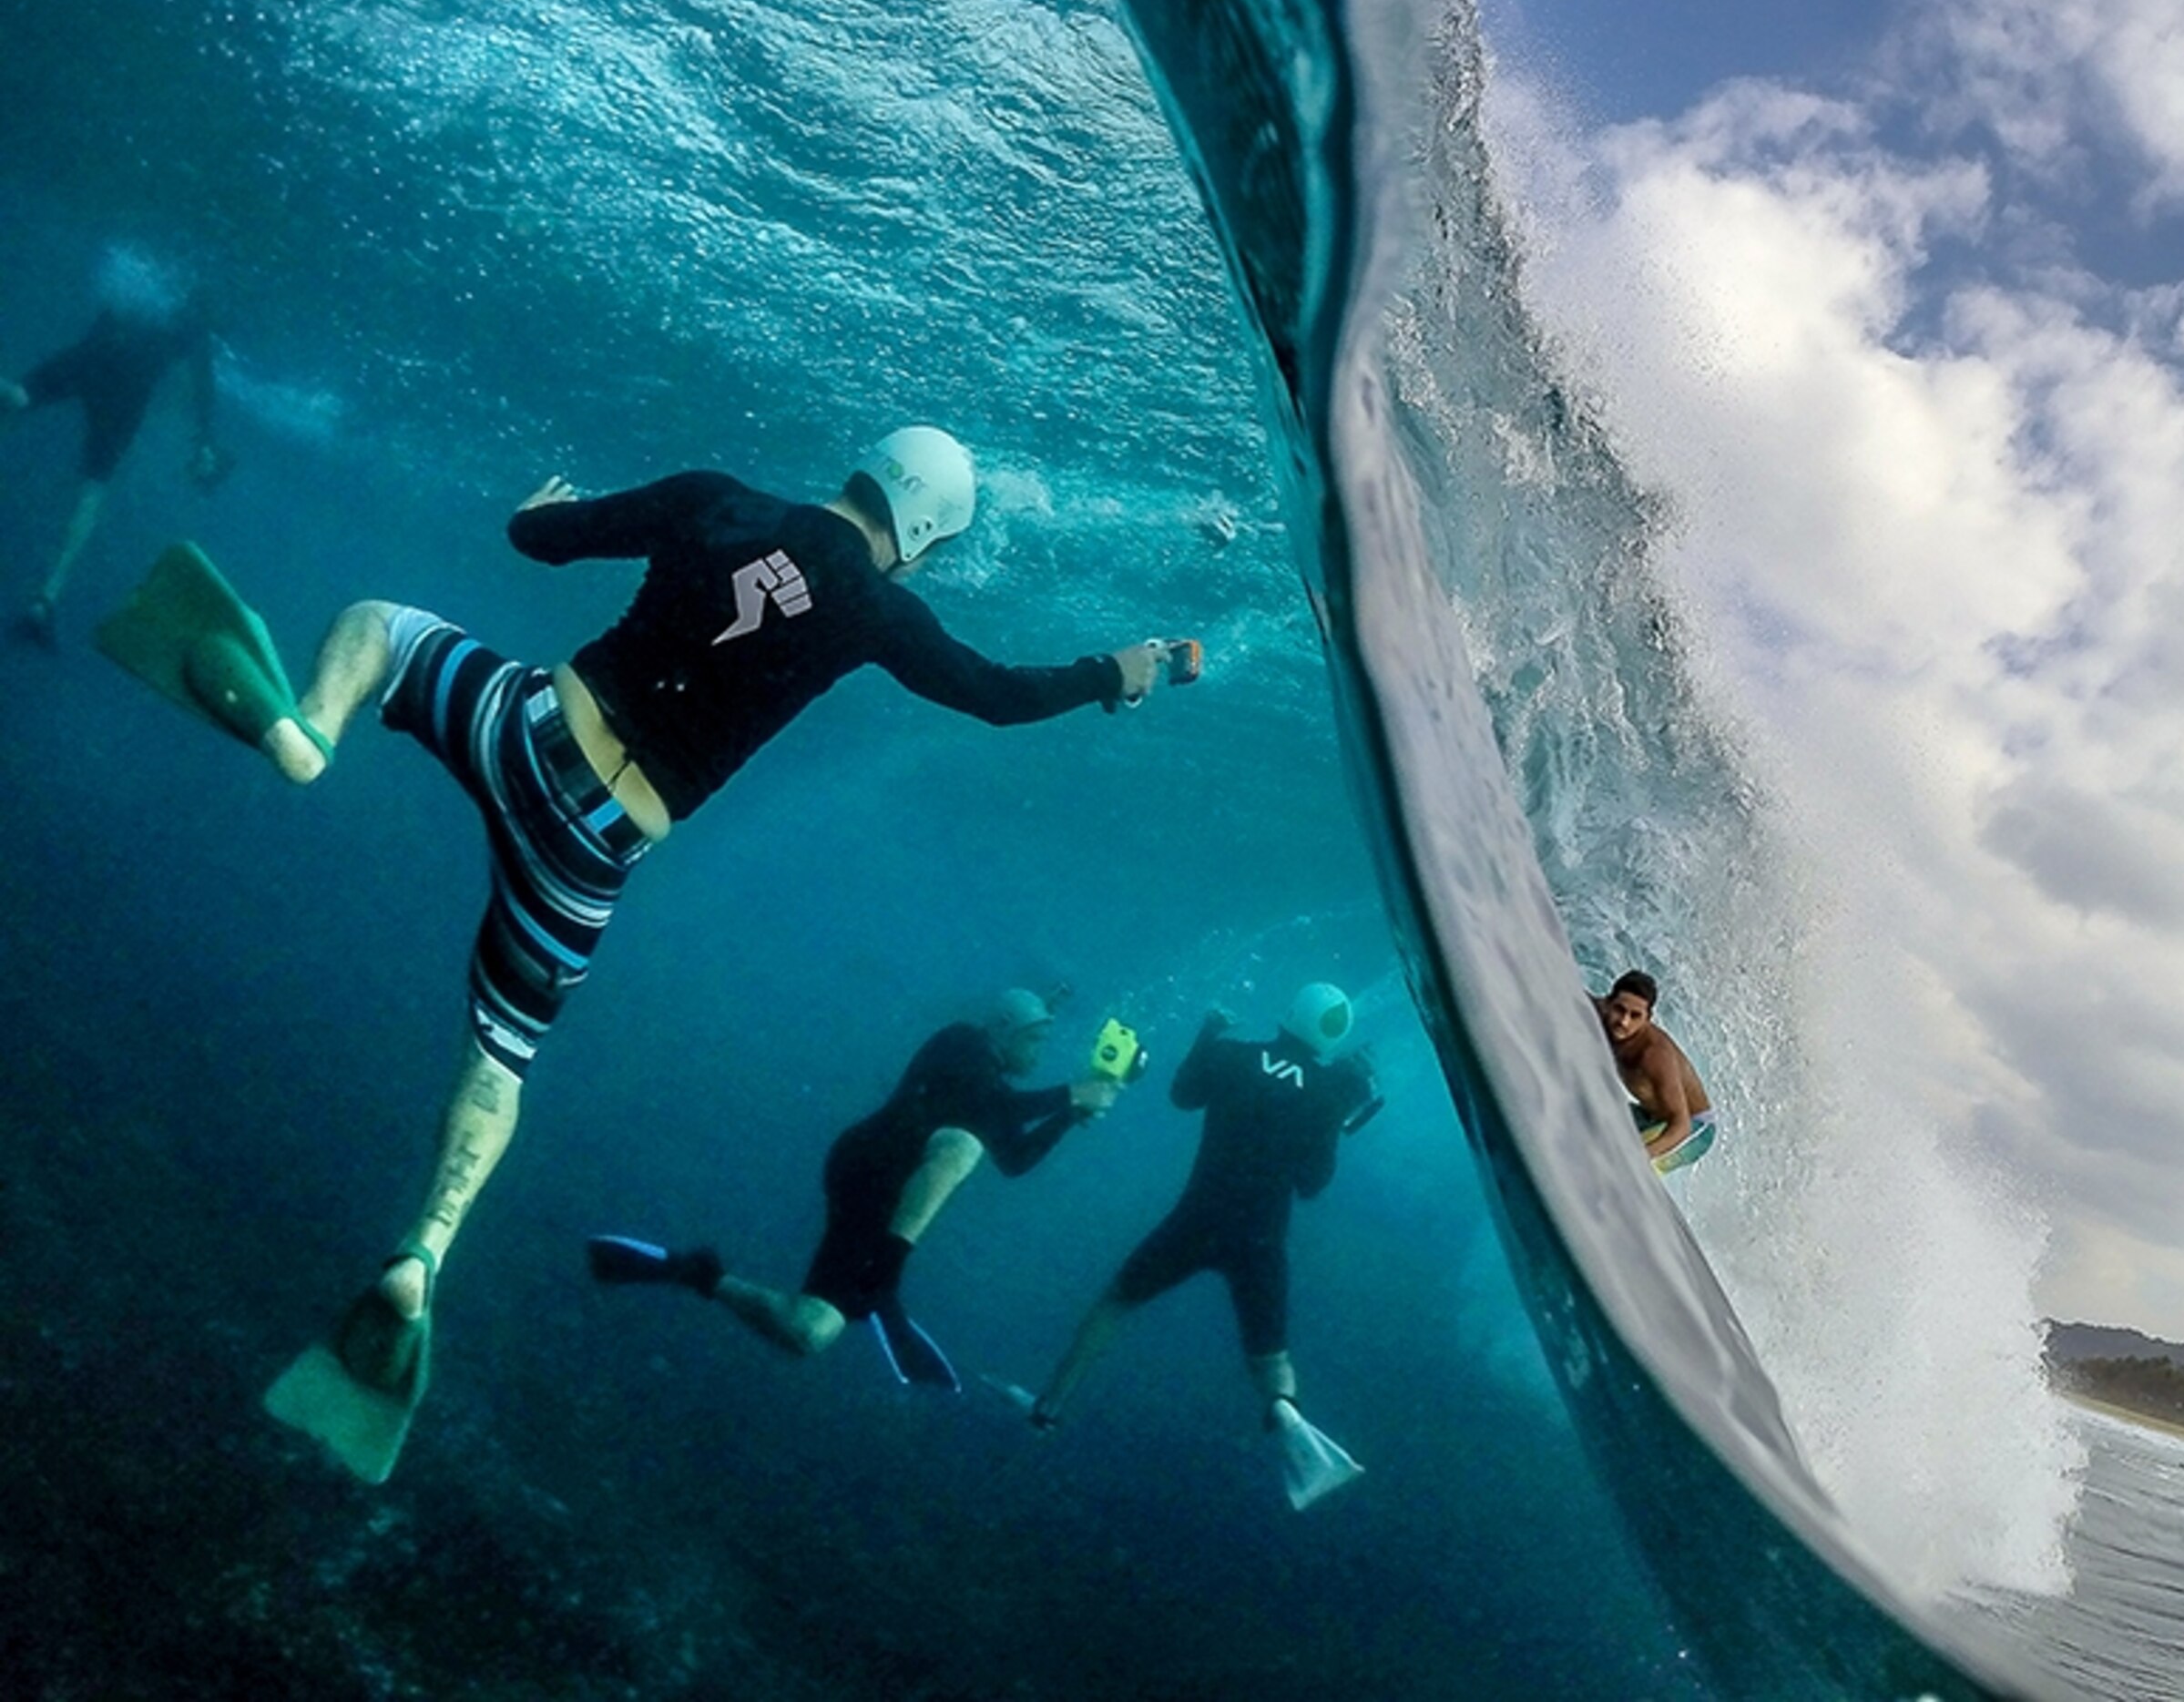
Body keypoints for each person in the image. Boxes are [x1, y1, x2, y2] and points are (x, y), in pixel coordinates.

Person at [101, 424, 1195, 1480]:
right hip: (599, 845)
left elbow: (538, 538)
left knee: (380, 624)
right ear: (922, 532)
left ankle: (308, 736)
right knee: (502, 1055)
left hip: (526, 726)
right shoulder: (882, 612)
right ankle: (423, 1251)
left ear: (865, 471)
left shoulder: (715, 494)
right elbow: (999, 697)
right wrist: (1120, 667)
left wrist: (542, 509)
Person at [586, 989, 1122, 1386]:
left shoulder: (996, 1092)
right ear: (1004, 1027)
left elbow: (1017, 1160)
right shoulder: (962, 1043)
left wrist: (1069, 1116)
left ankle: (692, 1271)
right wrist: (1067, 1093)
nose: (1043, 1048)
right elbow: (990, 1108)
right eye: (1038, 1036)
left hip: (889, 1202)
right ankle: (885, 1279)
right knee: (964, 1148)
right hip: (864, 1168)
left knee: (809, 1332)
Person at [1021, 981, 1378, 1509]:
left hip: (1198, 1219)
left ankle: (1048, 1407)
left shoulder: (1235, 1057)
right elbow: (1312, 1185)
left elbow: (1182, 1094)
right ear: (1334, 1034)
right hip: (1261, 1238)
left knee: (1117, 1301)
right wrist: (1339, 1104)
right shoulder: (1329, 1093)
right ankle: (1289, 1419)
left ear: (1287, 1013)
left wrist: (1208, 1032)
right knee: (1271, 1359)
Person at [1, 244, 226, 647]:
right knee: (92, 491)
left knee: (18, 398)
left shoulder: (150, 284)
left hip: (92, 360)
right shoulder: (195, 325)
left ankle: (46, 600)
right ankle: (46, 597)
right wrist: (204, 443)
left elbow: (108, 317)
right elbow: (203, 388)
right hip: (125, 400)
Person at [1593, 969, 1714, 1174]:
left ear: (1648, 1018)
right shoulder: (1600, 1012)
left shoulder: (1654, 1056)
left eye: (1635, 1016)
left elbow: (1680, 1125)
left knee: (1628, 1165)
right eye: (1619, 1009)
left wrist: (1641, 1155)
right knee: (1589, 1119)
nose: (1624, 1021)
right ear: (1607, 1003)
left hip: (1693, 1128)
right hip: (1650, 1116)